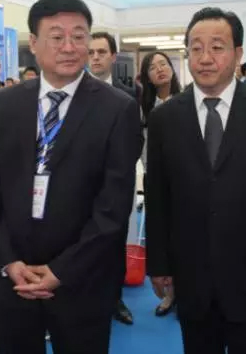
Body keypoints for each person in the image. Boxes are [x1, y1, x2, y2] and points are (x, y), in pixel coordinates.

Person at [0, 0, 141, 354]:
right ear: (34, 43)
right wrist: (8, 261)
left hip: (84, 280)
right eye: (56, 36)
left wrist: (62, 270)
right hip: (14, 279)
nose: (69, 46)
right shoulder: (5, 104)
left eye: (79, 36)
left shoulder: (118, 109)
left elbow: (113, 206)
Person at [146, 7, 246, 354]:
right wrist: (159, 264)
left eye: (217, 47)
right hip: (193, 278)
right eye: (196, 48)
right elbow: (158, 197)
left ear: (237, 53)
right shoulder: (165, 119)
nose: (205, 58)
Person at [88, 30, 140, 325]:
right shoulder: (72, 92)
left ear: (113, 56)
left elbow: (134, 142)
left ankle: (114, 299)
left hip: (115, 183)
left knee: (114, 241)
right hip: (80, 186)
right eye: (91, 52)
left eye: (101, 52)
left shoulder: (128, 94)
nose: (95, 58)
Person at [138, 51, 181, 318]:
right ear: (147, 77)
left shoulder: (187, 100)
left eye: (163, 64)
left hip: (185, 182)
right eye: (153, 67)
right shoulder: (143, 108)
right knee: (162, 237)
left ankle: (187, 291)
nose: (160, 70)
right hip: (155, 180)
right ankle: (169, 294)